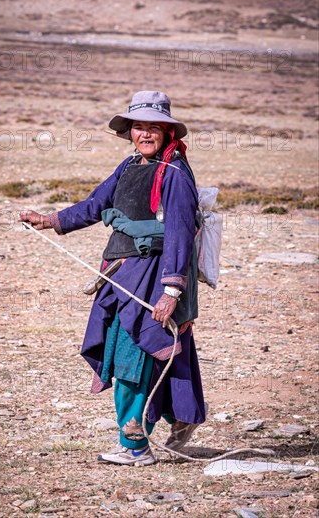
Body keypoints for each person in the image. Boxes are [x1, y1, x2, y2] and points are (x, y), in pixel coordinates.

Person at [20, 90, 206, 466]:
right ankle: (181, 417)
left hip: (155, 277)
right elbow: (95, 204)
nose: (146, 134)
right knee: (150, 352)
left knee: (136, 354)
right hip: (121, 274)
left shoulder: (175, 174)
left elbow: (181, 232)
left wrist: (171, 290)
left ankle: (135, 445)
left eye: (154, 127)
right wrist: (52, 221)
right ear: (130, 132)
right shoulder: (129, 166)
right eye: (139, 126)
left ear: (168, 133)